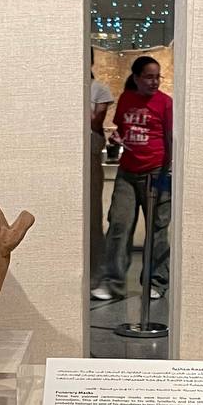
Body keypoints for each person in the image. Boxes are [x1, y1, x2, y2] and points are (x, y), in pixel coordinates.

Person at [93, 56, 173, 301]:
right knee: (119, 224)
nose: (154, 82)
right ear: (137, 78)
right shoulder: (127, 99)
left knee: (157, 229)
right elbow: (121, 130)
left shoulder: (165, 103)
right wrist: (117, 139)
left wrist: (168, 172)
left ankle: (156, 282)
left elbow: (171, 138)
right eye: (148, 77)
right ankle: (114, 283)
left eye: (157, 77)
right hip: (127, 172)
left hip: (157, 172)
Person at [88, 50, 115, 291]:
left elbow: (96, 122)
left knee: (93, 216)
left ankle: (97, 271)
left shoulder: (99, 89)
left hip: (91, 154)